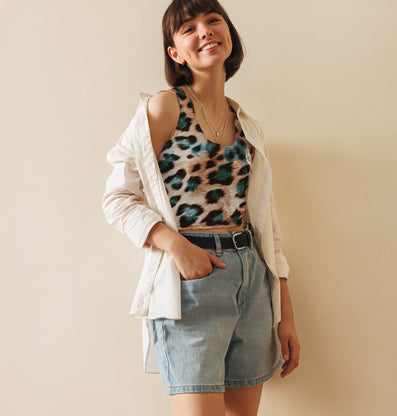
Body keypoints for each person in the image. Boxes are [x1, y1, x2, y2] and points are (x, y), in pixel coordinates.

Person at [102, 0, 300, 414]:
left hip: (252, 281)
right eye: (188, 27)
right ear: (175, 53)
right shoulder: (164, 108)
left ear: (229, 33)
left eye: (212, 20)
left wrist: (286, 313)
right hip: (191, 285)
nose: (205, 30)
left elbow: (269, 225)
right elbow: (117, 198)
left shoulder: (247, 125)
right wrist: (178, 247)